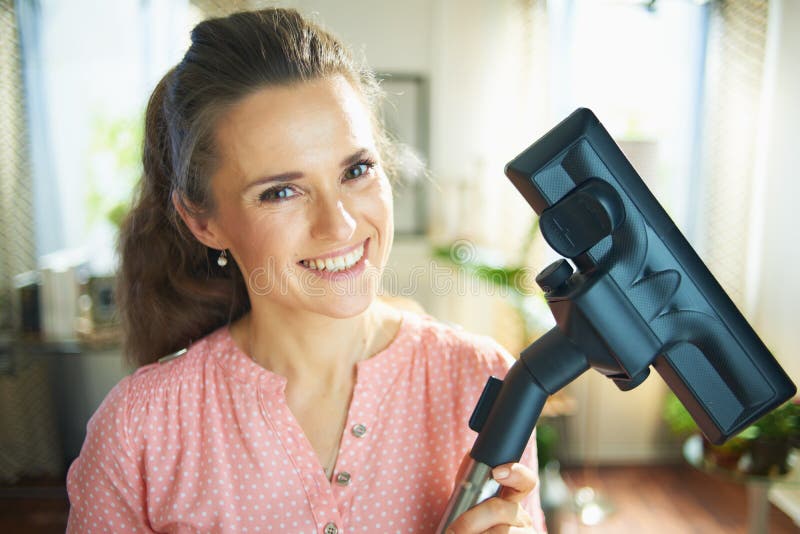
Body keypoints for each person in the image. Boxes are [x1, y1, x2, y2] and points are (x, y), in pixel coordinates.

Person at [66, 8, 545, 533]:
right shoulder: (139, 429)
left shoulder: (484, 382)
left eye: (356, 170)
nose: (338, 225)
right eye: (281, 191)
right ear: (202, 221)